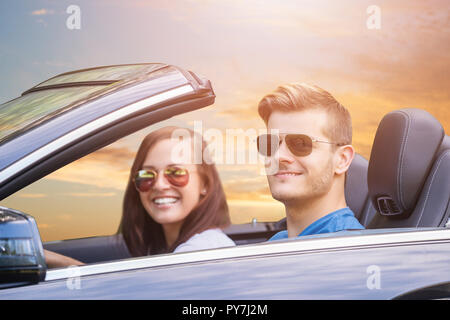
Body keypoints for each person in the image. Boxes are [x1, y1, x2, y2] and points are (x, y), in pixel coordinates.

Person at [44, 126, 235, 268]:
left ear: (205, 184)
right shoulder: (173, 249)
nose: (159, 185)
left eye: (176, 173)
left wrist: (63, 264)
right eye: (147, 175)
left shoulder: (202, 252)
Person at [256, 83, 364, 241]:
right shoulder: (280, 242)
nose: (278, 156)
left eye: (300, 144)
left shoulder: (346, 251)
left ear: (342, 160)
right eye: (270, 144)